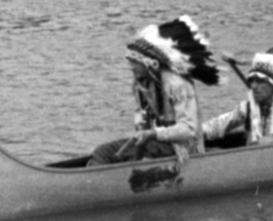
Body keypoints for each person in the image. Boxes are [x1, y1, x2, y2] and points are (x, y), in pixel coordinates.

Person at [89, 16, 222, 166]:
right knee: (102, 152)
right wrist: (141, 129)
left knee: (145, 152)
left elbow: (189, 129)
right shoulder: (140, 84)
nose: (131, 67)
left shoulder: (178, 84)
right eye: (130, 62)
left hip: (184, 148)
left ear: (149, 62)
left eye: (134, 62)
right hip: (156, 142)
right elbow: (140, 115)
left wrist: (153, 134)